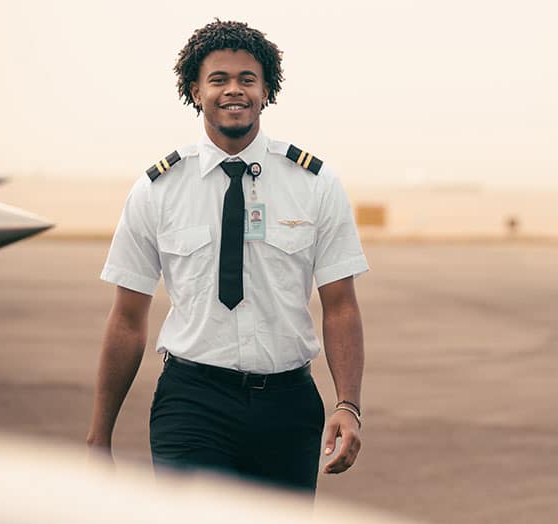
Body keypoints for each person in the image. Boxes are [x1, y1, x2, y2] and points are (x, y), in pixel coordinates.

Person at [86, 20, 368, 496]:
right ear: (195, 90)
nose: (233, 90)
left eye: (246, 79)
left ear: (266, 90)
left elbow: (340, 304)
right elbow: (128, 317)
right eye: (218, 79)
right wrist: (100, 433)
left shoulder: (315, 183)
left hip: (288, 405)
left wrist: (349, 404)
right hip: (191, 401)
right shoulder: (158, 189)